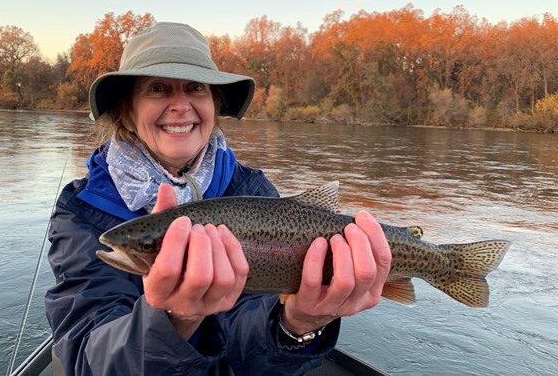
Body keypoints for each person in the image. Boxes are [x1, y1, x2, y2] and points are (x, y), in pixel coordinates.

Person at [45, 22, 392, 376]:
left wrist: (297, 325)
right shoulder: (83, 209)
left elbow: (251, 361)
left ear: (214, 104)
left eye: (196, 88)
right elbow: (87, 361)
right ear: (126, 114)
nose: (180, 105)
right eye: (158, 89)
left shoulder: (253, 191)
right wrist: (173, 320)